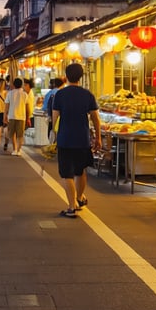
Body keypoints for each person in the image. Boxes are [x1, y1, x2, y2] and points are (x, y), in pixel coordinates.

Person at [52, 63, 101, 218]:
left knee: (67, 174)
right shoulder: (88, 95)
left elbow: (55, 118)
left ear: (66, 77)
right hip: (82, 138)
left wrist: (54, 134)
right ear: (81, 77)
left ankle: (72, 207)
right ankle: (79, 198)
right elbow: (95, 118)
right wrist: (98, 136)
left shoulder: (60, 95)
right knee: (80, 171)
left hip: (65, 139)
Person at [4, 77, 30, 156]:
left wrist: (5, 116)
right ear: (21, 85)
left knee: (12, 134)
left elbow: (6, 106)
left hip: (11, 116)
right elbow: (27, 107)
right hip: (22, 117)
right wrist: (28, 117)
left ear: (13, 85)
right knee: (20, 135)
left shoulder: (10, 93)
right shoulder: (25, 94)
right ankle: (19, 150)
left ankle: (15, 149)